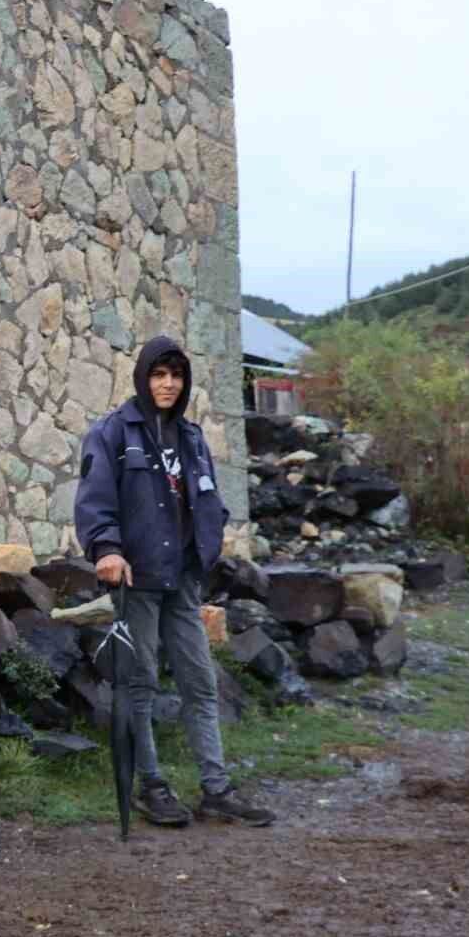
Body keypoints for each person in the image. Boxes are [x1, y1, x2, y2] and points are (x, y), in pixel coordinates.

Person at [73, 336, 276, 828]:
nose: (167, 384)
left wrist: (210, 542)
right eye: (158, 375)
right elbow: (95, 499)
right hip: (135, 578)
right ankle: (151, 785)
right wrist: (107, 549)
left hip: (183, 582)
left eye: (176, 376)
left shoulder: (190, 437)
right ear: (143, 378)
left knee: (200, 683)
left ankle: (216, 789)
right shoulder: (112, 434)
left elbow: (209, 499)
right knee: (140, 683)